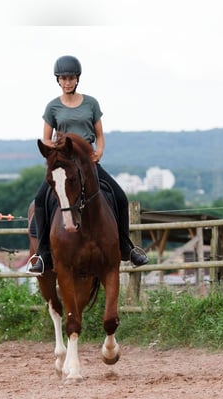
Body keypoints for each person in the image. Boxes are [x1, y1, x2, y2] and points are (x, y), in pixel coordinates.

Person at [27, 54, 149, 274]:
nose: (67, 82)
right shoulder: (52, 107)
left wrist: (99, 150)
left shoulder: (91, 103)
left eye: (71, 78)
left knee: (120, 196)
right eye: (63, 78)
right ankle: (43, 253)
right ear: (58, 80)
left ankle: (126, 247)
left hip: (87, 163)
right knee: (39, 199)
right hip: (64, 164)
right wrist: (57, 150)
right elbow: (45, 138)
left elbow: (100, 135)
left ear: (77, 79)